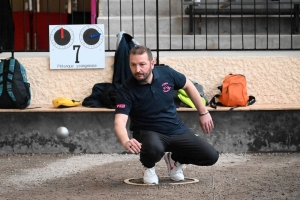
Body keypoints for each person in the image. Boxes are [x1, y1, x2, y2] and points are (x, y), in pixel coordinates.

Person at [114, 45, 219, 184]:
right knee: (154, 148)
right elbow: (119, 121)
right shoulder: (126, 89)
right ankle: (149, 166)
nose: (137, 69)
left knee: (211, 156)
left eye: (142, 64)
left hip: (175, 129)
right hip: (148, 132)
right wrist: (125, 140)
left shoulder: (166, 73)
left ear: (152, 63)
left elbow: (188, 85)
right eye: (133, 65)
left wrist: (203, 112)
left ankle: (175, 160)